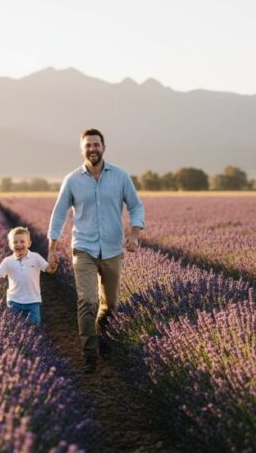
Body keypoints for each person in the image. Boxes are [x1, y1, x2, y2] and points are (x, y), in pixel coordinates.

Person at [48, 128, 145, 373]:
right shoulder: (72, 180)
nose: (92, 149)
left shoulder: (120, 176)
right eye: (88, 145)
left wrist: (134, 234)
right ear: (82, 149)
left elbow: (136, 206)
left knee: (110, 304)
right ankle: (89, 354)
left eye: (96, 145)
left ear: (103, 147)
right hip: (84, 249)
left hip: (113, 249)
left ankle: (102, 329)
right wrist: (52, 248)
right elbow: (59, 214)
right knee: (87, 301)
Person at [0, 226, 55, 325]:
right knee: (15, 326)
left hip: (33, 301)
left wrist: (53, 264)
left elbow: (49, 269)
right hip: (14, 302)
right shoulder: (8, 261)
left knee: (34, 327)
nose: (19, 244)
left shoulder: (36, 257)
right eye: (15, 242)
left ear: (29, 243)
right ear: (10, 245)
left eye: (22, 241)